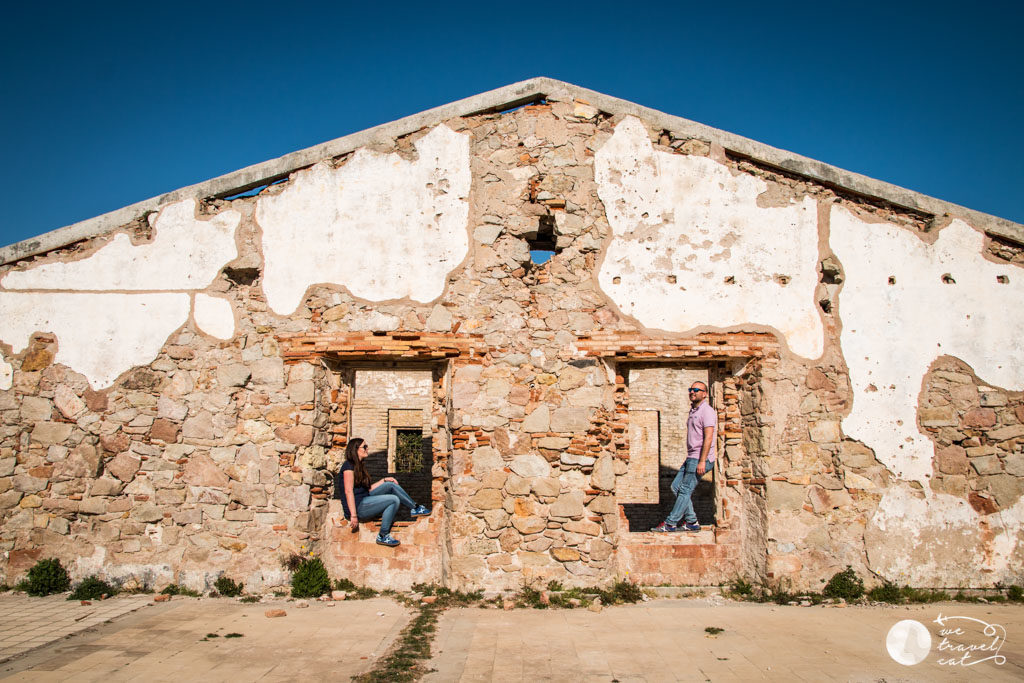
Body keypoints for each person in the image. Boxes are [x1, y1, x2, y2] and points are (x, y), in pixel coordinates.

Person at [337, 437, 430, 547]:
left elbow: (367, 490)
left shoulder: (359, 466)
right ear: (355, 449)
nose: (367, 449)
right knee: (393, 500)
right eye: (364, 447)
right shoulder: (348, 466)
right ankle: (383, 535)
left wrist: (384, 480)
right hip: (358, 507)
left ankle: (415, 508)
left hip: (364, 500)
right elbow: (348, 491)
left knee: (390, 485)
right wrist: (353, 515)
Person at [652, 381, 716, 533]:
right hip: (691, 457)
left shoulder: (707, 411)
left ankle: (671, 523)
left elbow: (709, 437)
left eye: (696, 390)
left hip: (700, 458)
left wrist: (702, 460)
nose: (692, 392)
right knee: (676, 486)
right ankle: (692, 521)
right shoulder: (693, 410)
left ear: (705, 394)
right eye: (691, 389)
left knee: (685, 490)